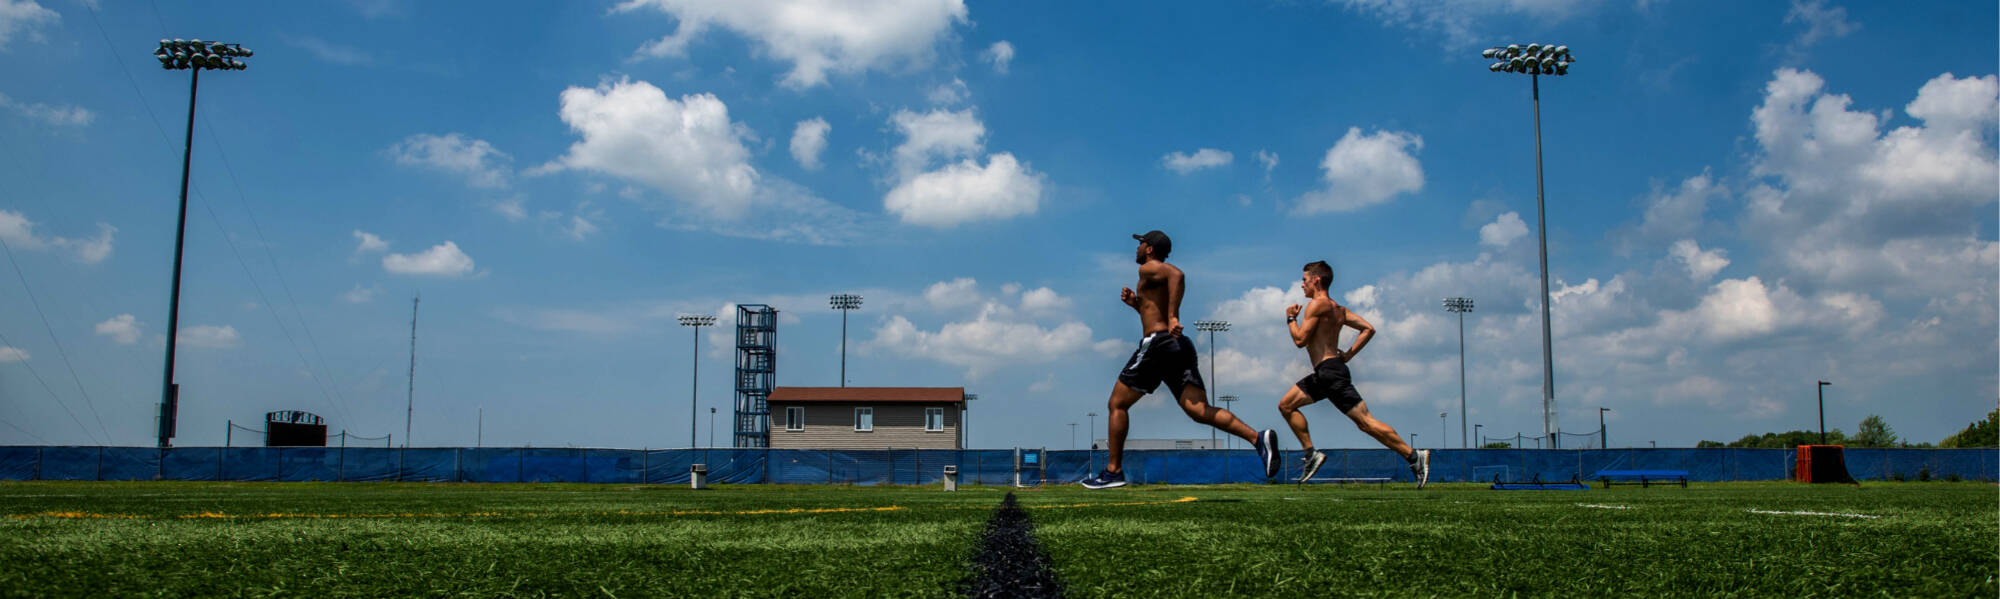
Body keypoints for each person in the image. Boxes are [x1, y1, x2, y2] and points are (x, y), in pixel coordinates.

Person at [1081, 231, 1279, 489]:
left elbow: (1178, 275)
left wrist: (1174, 316)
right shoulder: (1152, 276)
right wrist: (1135, 304)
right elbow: (1154, 310)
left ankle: (1113, 471)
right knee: (1198, 410)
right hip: (1177, 346)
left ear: (1149, 249)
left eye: (1141, 244)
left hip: (1158, 344)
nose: (1137, 248)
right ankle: (1257, 438)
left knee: (1117, 404)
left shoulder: (1149, 270)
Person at [1278, 260, 1430, 488]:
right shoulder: (1339, 310)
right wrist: (1347, 355)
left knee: (1366, 422)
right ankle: (1311, 454)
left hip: (1329, 373)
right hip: (1328, 372)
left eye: (1305, 280)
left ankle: (1414, 456)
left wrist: (1290, 319)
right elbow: (1368, 328)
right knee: (1286, 405)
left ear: (1316, 280)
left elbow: (1300, 340)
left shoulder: (1316, 306)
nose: (1302, 285)